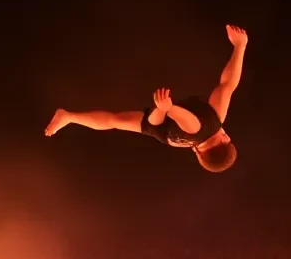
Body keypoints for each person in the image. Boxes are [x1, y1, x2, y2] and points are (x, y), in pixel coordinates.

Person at [45, 24, 247, 174]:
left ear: (225, 139)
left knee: (225, 89)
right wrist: (165, 111)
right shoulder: (196, 143)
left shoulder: (209, 126)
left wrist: (240, 46)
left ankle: (69, 117)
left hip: (168, 119)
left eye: (227, 136)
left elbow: (196, 116)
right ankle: (69, 116)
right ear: (200, 154)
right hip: (161, 130)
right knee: (115, 121)